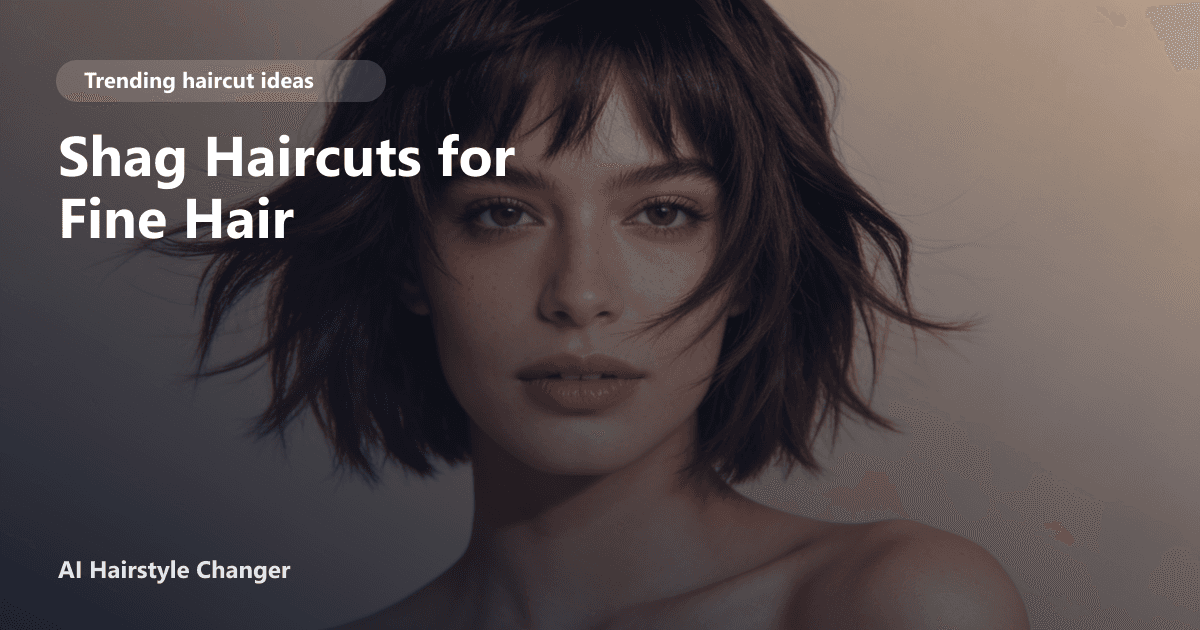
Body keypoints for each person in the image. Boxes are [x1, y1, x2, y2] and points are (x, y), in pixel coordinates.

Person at [150, 0, 1030, 627]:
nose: (578, 293)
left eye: (663, 213)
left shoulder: (891, 606)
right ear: (406, 260)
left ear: (753, 268)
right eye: (502, 211)